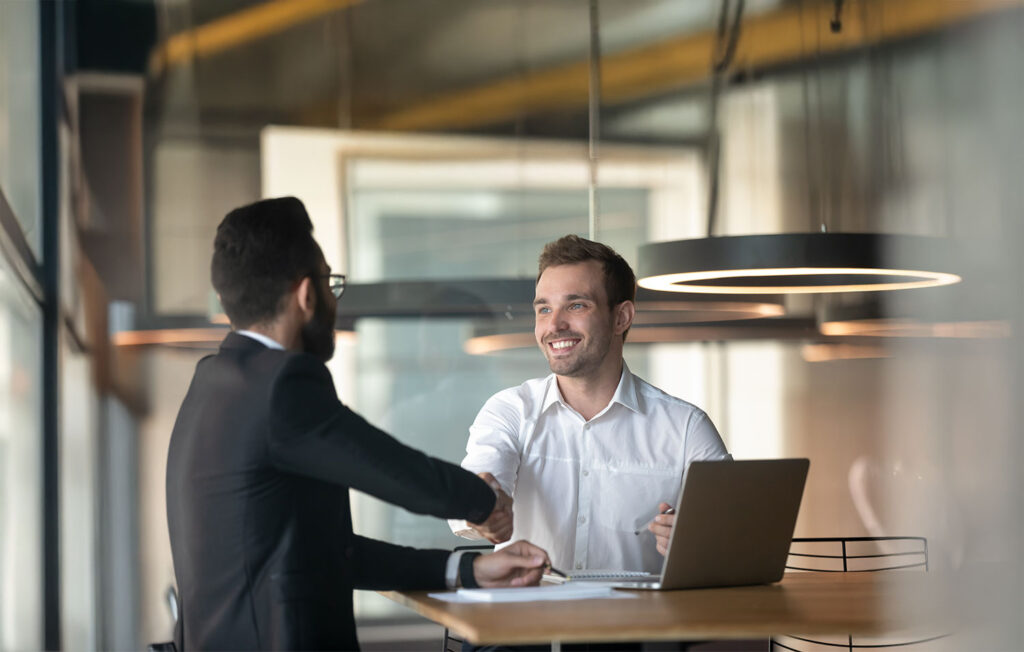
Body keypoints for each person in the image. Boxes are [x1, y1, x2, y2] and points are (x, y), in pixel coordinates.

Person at [166, 197, 549, 651]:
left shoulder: (214, 381)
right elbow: (391, 469)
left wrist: (465, 570)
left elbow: (323, 553)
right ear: (307, 294)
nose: (334, 298)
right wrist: (482, 501)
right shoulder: (281, 383)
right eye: (332, 284)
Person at [450, 235, 731, 574]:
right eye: (544, 309)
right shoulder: (510, 411)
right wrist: (483, 509)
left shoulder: (686, 427)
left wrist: (700, 544)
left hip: (642, 625)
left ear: (621, 317)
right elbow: (479, 487)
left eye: (576, 305)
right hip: (528, 624)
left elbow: (737, 541)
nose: (554, 325)